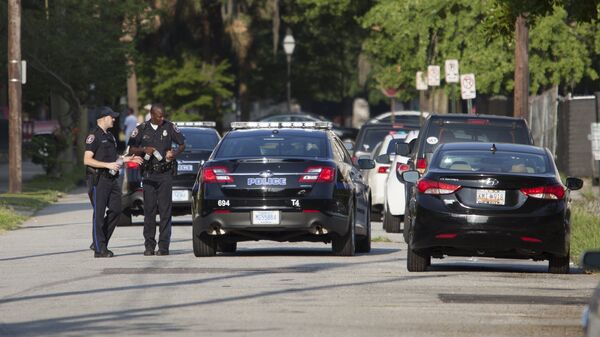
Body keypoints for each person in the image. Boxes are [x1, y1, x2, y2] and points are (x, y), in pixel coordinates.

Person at [83, 107, 143, 258]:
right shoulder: (93, 136)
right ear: (103, 118)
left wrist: (126, 159)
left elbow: (112, 158)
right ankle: (99, 249)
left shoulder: (110, 136)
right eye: (112, 117)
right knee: (99, 214)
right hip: (98, 180)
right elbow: (87, 160)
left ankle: (99, 240)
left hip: (111, 179)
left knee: (117, 209)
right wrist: (107, 165)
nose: (114, 120)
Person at [127, 104, 185, 256]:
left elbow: (182, 144)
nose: (162, 118)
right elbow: (131, 149)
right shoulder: (141, 128)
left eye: (163, 115)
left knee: (165, 211)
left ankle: (164, 246)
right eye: (159, 116)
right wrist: (143, 150)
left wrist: (174, 153)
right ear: (152, 115)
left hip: (165, 174)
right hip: (148, 175)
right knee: (149, 211)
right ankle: (149, 246)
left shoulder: (170, 127)